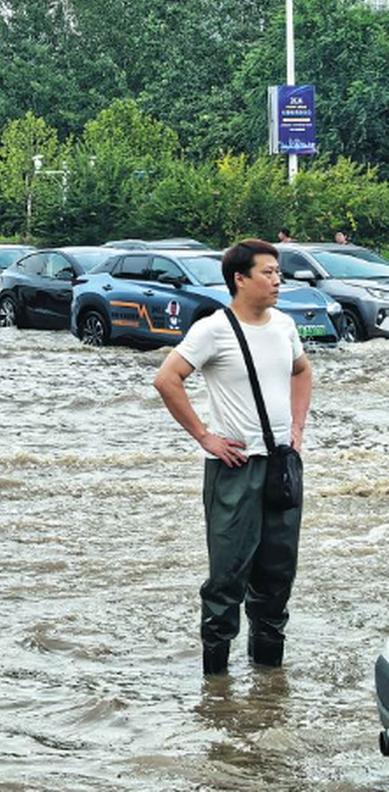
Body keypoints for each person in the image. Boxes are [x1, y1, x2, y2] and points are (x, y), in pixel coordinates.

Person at [153, 239, 312, 676]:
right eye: (268, 272)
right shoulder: (213, 329)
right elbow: (167, 379)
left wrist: (297, 429)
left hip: (282, 465)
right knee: (227, 579)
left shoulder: (283, 325)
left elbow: (302, 370)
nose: (278, 280)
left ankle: (267, 681)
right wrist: (205, 436)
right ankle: (216, 687)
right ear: (239, 279)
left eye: (279, 272)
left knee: (278, 576)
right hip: (235, 469)